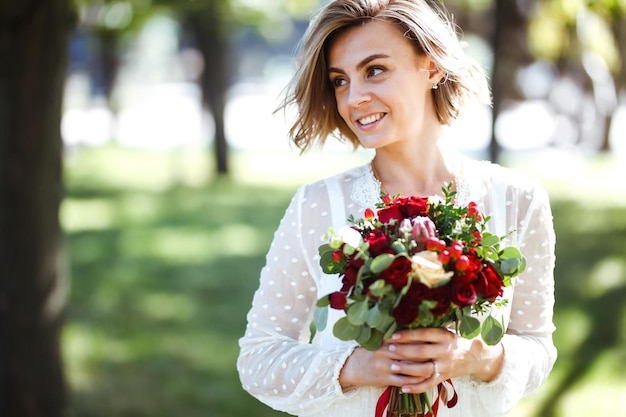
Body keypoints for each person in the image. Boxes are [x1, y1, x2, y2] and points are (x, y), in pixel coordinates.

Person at [237, 1, 557, 416]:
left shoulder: (518, 199)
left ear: (432, 66)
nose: (354, 98)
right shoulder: (317, 206)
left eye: (374, 70)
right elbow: (258, 360)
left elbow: (538, 348)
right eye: (339, 81)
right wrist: (357, 366)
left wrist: (479, 357)